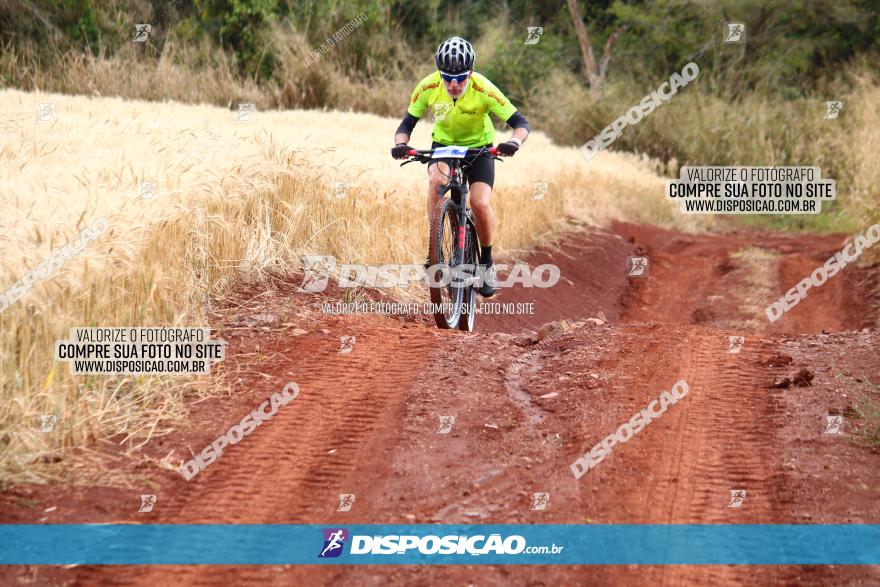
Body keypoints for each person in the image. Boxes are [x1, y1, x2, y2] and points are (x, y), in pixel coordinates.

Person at [391, 36, 531, 297]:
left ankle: (486, 261)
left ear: (471, 73)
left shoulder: (485, 88)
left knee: (479, 203)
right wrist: (401, 144)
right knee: (435, 181)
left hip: (480, 149)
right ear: (439, 74)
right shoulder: (428, 86)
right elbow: (406, 125)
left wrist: (514, 142)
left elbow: (521, 124)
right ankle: (436, 253)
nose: (454, 84)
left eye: (461, 78)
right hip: (443, 146)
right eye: (447, 78)